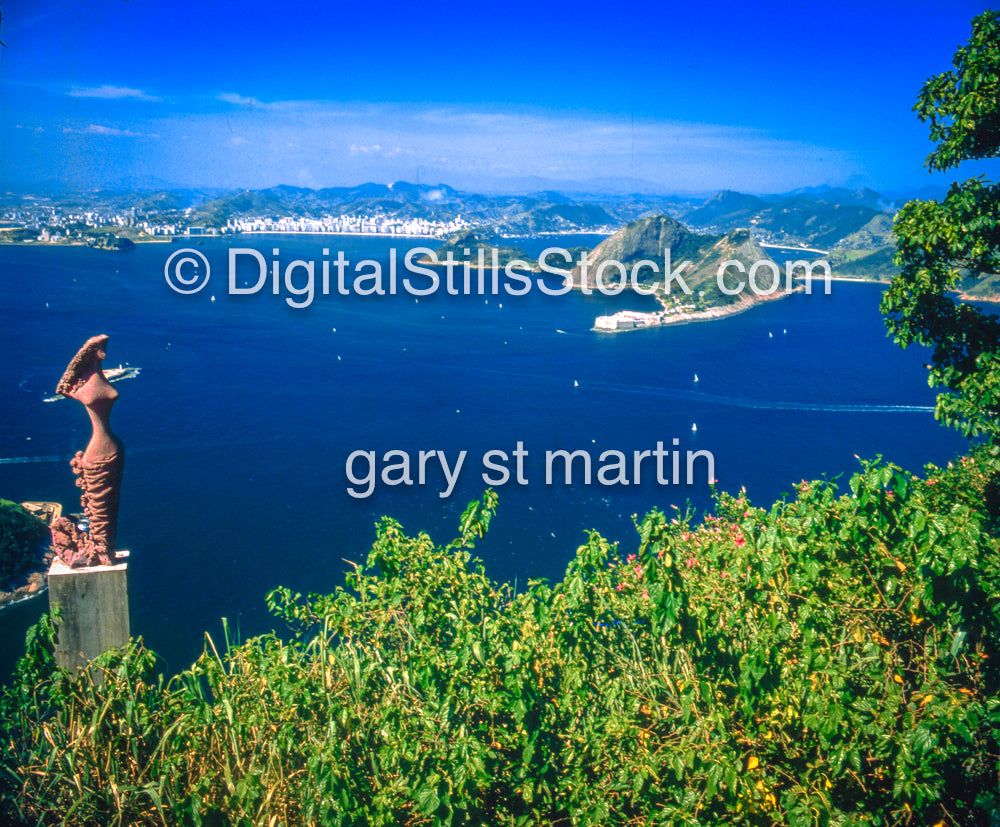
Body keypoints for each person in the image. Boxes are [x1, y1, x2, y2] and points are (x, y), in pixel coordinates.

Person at [50, 335, 125, 567]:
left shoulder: (95, 377)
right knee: (102, 507)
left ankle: (105, 550)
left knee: (108, 506)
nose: (105, 351)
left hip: (110, 447)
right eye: (101, 347)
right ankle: (103, 551)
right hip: (100, 452)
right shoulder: (83, 387)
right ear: (92, 351)